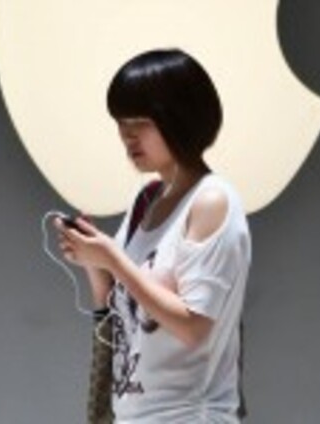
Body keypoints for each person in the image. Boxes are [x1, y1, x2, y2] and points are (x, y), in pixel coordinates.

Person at [55, 48, 252, 423]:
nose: (127, 135)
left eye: (141, 122)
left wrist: (114, 260)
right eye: (120, 122)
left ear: (180, 118)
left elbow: (195, 327)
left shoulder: (211, 201)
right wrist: (94, 264)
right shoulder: (147, 199)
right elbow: (120, 313)